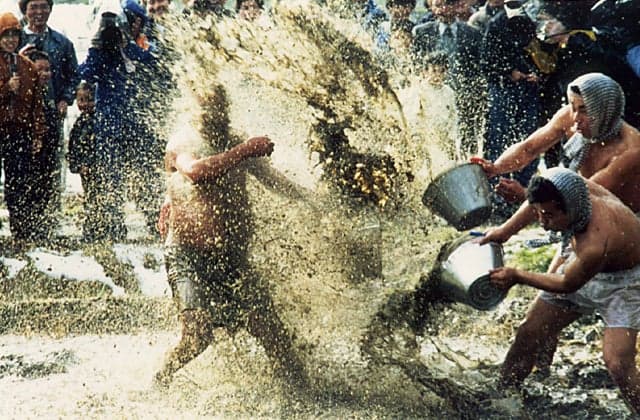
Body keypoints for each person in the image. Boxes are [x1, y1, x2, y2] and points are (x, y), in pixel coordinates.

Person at [153, 84, 310, 389]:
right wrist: (245, 151)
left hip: (231, 257)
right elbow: (195, 172)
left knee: (273, 332)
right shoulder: (184, 141)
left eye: (219, 107)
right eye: (207, 108)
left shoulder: (235, 140)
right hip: (189, 255)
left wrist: (314, 200)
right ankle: (160, 379)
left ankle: (304, 393)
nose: (215, 114)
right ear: (193, 111)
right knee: (197, 336)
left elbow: (273, 180)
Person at [478, 168, 640, 414]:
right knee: (529, 332)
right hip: (578, 264)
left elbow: (567, 284)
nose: (543, 223)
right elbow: (535, 203)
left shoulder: (595, 241)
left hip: (625, 284)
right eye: (541, 214)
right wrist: (505, 231)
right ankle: (503, 396)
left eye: (550, 216)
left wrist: (517, 275)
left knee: (618, 363)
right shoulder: (562, 183)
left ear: (571, 209)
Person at [472, 72, 640, 214]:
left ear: (605, 111)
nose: (575, 117)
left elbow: (584, 196)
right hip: (579, 202)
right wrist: (495, 168)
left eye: (583, 110)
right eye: (573, 107)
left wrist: (526, 194)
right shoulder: (569, 116)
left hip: (622, 218)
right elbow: (529, 148)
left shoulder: (632, 148)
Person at [0, 12, 45, 248]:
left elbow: (37, 105)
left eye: (14, 36)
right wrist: (6, 88)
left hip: (19, 132)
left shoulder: (28, 66)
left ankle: (20, 232)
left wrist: (38, 134)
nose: (10, 40)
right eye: (6, 36)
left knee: (17, 183)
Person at [26, 49, 61, 242]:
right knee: (30, 187)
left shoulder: (47, 93)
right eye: (40, 69)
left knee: (45, 187)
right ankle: (28, 227)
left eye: (48, 69)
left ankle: (40, 225)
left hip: (48, 148)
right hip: (31, 147)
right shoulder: (26, 94)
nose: (45, 74)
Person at [67, 81, 99, 243]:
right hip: (84, 169)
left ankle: (106, 229)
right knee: (90, 199)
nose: (85, 104)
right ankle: (91, 230)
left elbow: (96, 147)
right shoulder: (80, 122)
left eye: (89, 100)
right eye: (81, 100)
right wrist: (77, 165)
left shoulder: (97, 121)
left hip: (97, 168)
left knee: (100, 198)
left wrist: (90, 164)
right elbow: (73, 147)